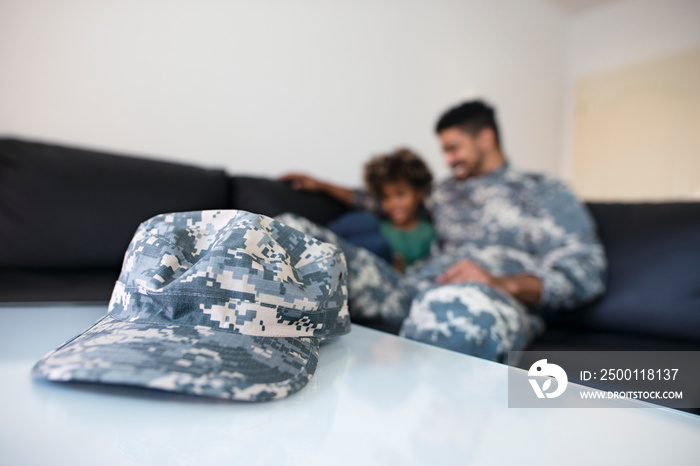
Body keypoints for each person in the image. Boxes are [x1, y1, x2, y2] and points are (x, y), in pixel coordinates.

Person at [279, 100, 606, 362]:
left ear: (486, 138)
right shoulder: (444, 192)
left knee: (449, 309)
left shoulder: (542, 191)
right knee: (287, 234)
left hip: (487, 300)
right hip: (410, 288)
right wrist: (320, 185)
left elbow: (586, 271)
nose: (448, 160)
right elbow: (383, 202)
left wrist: (503, 282)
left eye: (454, 148)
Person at [326, 148, 434, 272]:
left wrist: (399, 269)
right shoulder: (380, 226)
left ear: (420, 193)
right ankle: (322, 245)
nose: (393, 204)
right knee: (364, 221)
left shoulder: (427, 232)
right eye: (386, 197)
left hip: (391, 277)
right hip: (351, 261)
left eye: (400, 194)